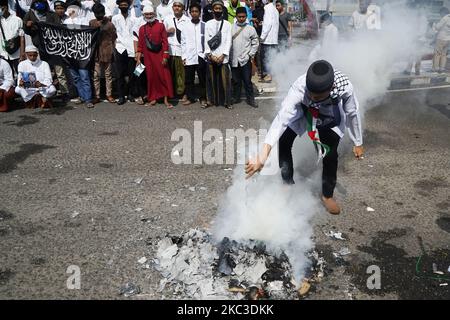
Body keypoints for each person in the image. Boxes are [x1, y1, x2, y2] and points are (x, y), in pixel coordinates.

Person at [245, 60, 364, 215]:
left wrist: (358, 142)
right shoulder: (299, 88)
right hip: (305, 113)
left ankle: (327, 195)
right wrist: (263, 155)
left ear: (332, 88)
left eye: (318, 96)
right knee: (284, 140)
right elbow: (281, 119)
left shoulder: (345, 87)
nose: (313, 97)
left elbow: (352, 114)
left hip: (329, 116)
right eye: (311, 94)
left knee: (330, 155)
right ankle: (287, 183)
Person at [135, 4, 174, 108]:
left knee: (164, 77)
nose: (148, 16)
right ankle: (153, 99)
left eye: (150, 14)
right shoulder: (142, 29)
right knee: (151, 77)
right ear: (144, 15)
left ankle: (166, 99)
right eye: (146, 14)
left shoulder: (161, 26)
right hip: (148, 58)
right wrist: (138, 58)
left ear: (154, 14)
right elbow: (140, 46)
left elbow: (165, 42)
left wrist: (165, 57)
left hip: (160, 56)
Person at [112, 0, 141, 105]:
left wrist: (137, 50)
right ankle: (121, 96)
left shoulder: (134, 19)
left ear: (128, 6)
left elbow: (135, 35)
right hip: (120, 48)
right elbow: (113, 33)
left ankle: (130, 94)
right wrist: (115, 46)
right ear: (119, 6)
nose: (123, 6)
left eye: (125, 5)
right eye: (121, 5)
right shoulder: (115, 18)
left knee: (133, 73)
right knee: (120, 75)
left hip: (131, 49)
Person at [204, 0, 231, 109]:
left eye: (220, 9)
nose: (218, 10)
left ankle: (227, 102)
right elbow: (206, 40)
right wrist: (210, 55)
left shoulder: (228, 24)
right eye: (216, 8)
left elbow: (228, 41)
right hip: (212, 56)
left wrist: (223, 55)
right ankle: (210, 101)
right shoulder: (208, 23)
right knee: (211, 80)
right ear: (213, 10)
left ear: (222, 10)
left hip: (222, 57)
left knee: (225, 81)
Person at [230, 7, 258, 108]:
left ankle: (251, 100)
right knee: (236, 81)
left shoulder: (250, 29)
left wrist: (250, 54)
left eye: (243, 17)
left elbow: (255, 42)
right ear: (236, 16)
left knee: (247, 81)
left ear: (246, 16)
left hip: (245, 60)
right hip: (234, 60)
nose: (241, 18)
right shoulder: (231, 28)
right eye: (239, 17)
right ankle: (236, 98)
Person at [89, 2, 117, 104]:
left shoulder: (109, 24)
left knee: (108, 75)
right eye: (97, 13)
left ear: (104, 12)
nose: (99, 15)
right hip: (96, 53)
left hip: (107, 52)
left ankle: (109, 94)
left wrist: (111, 49)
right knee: (96, 75)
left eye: (100, 13)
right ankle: (97, 96)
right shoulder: (91, 23)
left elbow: (114, 37)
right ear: (94, 13)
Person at [181, 2, 206, 106]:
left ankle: (203, 97)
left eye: (196, 11)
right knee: (189, 79)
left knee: (202, 79)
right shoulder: (186, 26)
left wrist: (205, 54)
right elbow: (183, 42)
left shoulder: (204, 25)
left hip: (201, 56)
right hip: (189, 57)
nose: (194, 13)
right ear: (189, 13)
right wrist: (184, 56)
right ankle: (190, 98)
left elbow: (206, 41)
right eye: (192, 11)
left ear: (200, 13)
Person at [164, 0, 189, 100]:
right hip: (169, 50)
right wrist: (167, 31)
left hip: (181, 51)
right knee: (170, 73)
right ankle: (171, 93)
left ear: (183, 8)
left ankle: (182, 93)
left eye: (179, 6)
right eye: (175, 6)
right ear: (172, 7)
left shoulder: (187, 20)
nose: (177, 8)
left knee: (181, 74)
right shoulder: (167, 19)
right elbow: (162, 35)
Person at [0, 0, 25, 77]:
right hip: (3, 54)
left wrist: (22, 53)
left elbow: (22, 37)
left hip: (16, 53)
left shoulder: (17, 20)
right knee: (7, 76)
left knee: (20, 74)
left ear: (5, 8)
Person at [259, 0, 278, 83]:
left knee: (266, 58)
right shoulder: (274, 9)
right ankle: (271, 75)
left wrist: (262, 37)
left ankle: (267, 76)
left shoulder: (267, 8)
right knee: (271, 58)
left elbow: (268, 24)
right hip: (273, 39)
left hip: (267, 39)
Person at [432, 7, 450, 73]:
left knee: (437, 53)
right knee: (444, 54)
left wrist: (434, 25)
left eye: (440, 13)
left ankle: (435, 69)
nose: (440, 15)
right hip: (448, 39)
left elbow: (437, 27)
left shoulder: (444, 18)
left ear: (443, 12)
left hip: (441, 38)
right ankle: (442, 68)